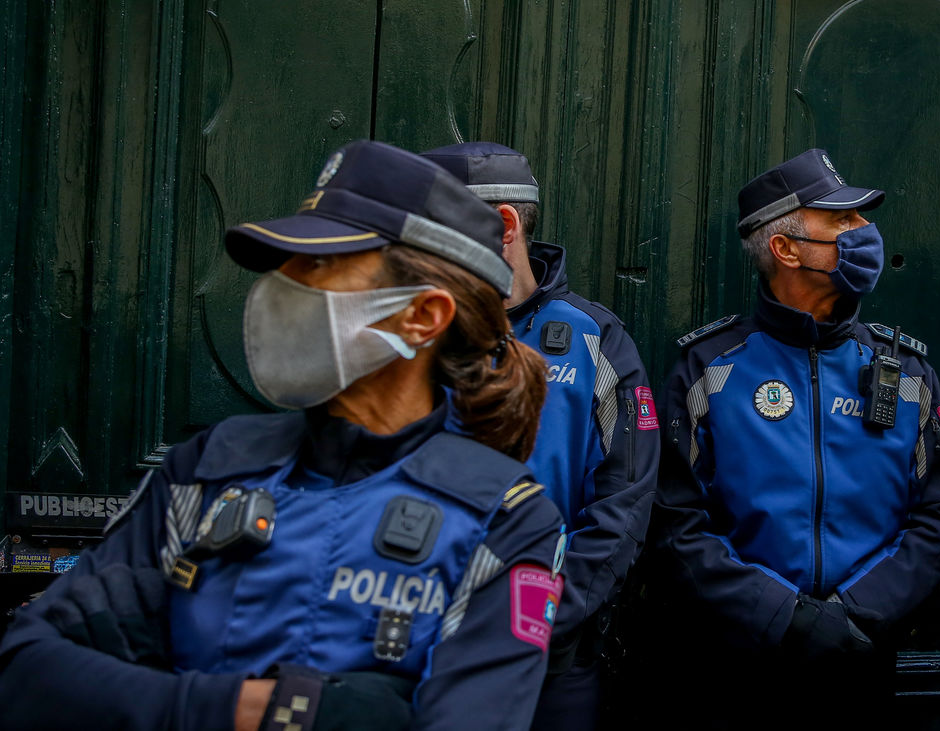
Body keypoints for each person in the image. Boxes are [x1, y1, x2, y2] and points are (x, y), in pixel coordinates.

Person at [0, 140, 567, 731]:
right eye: (284, 265)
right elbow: (29, 674)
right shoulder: (207, 467)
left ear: (422, 315)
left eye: (319, 266)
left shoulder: (503, 519)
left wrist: (148, 692)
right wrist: (260, 710)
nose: (279, 287)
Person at [652, 148, 940, 727]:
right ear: (785, 248)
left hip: (862, 654)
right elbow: (676, 523)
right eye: (843, 221)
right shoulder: (708, 369)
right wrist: (783, 616)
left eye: (861, 219)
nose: (865, 232)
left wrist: (860, 613)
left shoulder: (906, 372)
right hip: (737, 662)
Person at [419, 142, 656, 731]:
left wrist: (544, 616)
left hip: (553, 657)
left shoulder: (595, 339)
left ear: (503, 226)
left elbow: (624, 499)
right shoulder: (413, 328)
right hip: (419, 643)